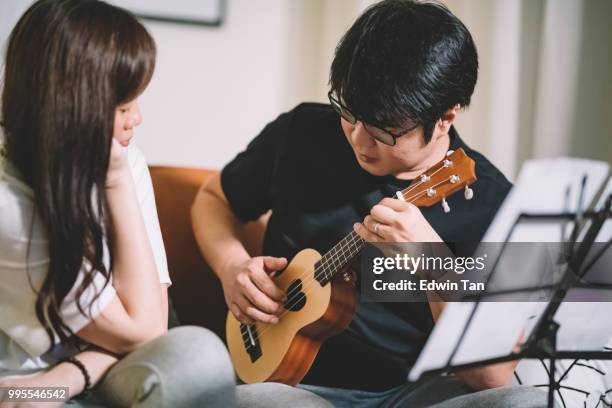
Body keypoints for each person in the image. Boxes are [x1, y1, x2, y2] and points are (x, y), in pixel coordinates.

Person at [191, 0, 549, 407]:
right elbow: (213, 198)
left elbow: (491, 376)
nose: (359, 141)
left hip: (411, 394)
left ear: (445, 117)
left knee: (526, 402)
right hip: (292, 387)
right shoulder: (303, 133)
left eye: (384, 131)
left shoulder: (493, 203)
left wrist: (430, 261)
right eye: (350, 113)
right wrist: (231, 266)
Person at [0, 1, 235, 406]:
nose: (137, 119)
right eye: (123, 106)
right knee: (200, 357)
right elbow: (144, 333)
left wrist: (75, 372)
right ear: (70, 106)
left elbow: (151, 326)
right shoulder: (9, 204)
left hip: (92, 373)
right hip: (32, 388)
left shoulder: (122, 161)